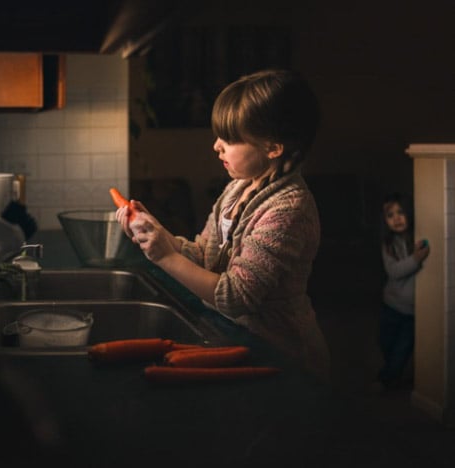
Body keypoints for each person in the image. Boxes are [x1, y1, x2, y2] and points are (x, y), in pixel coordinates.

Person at [116, 69, 330, 381]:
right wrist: (159, 236)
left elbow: (234, 297)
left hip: (284, 358)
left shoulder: (288, 210)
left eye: (230, 139)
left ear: (273, 148)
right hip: (239, 343)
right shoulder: (237, 187)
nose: (217, 146)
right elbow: (205, 256)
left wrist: (165, 256)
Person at [375, 192, 430, 391]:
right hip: (391, 305)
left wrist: (417, 254)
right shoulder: (388, 244)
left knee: (402, 349)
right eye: (390, 215)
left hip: (412, 311)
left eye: (400, 212)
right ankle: (390, 372)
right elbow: (394, 271)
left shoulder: (418, 239)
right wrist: (415, 259)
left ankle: (387, 379)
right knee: (385, 342)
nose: (396, 218)